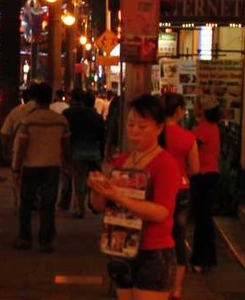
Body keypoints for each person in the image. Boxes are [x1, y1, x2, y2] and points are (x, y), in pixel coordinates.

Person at [88, 94, 181, 300]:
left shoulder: (165, 164)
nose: (134, 132)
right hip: (121, 247)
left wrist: (119, 197)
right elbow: (99, 207)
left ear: (159, 128)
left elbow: (161, 213)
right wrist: (97, 188)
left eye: (142, 126)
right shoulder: (121, 161)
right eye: (130, 125)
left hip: (154, 251)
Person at [12, 82, 71, 253]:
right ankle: (45, 240)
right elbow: (66, 144)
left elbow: (22, 146)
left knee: (26, 202)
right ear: (50, 98)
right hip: (52, 166)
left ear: (34, 99)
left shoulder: (28, 121)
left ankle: (24, 237)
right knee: (48, 203)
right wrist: (67, 163)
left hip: (30, 166)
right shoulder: (61, 120)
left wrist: (16, 167)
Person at [158, 93, 200, 300]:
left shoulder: (154, 134)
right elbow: (195, 169)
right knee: (178, 235)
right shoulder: (188, 138)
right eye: (183, 109)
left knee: (156, 234)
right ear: (178, 112)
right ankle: (176, 288)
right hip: (181, 189)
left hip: (156, 189)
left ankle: (158, 282)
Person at [189, 95, 222, 272]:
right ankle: (205, 258)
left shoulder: (204, 128)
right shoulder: (212, 127)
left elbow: (190, 145)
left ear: (202, 110)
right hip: (209, 174)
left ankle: (201, 259)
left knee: (202, 218)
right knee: (204, 218)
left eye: (196, 104)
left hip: (204, 175)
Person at [62, 89, 105, 218]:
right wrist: (102, 154)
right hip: (94, 153)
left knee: (79, 182)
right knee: (95, 181)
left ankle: (79, 209)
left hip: (78, 153)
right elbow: (102, 137)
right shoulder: (97, 118)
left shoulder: (74, 116)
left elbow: (69, 136)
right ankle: (93, 203)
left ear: (82, 103)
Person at [0, 85, 39, 163]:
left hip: (20, 155)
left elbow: (4, 133)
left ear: (24, 98)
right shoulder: (50, 113)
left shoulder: (17, 111)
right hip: (45, 157)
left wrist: (6, 151)